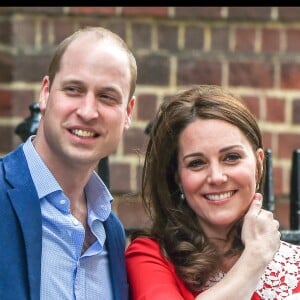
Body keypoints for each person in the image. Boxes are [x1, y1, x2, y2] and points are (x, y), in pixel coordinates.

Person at [126, 85, 300, 299]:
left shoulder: (296, 263)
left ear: (259, 163)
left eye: (231, 157)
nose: (216, 177)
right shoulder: (150, 256)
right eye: (197, 163)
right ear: (178, 178)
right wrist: (255, 258)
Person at [0, 26, 137, 300]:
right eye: (74, 89)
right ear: (46, 93)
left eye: (107, 97)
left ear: (128, 113)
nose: (87, 111)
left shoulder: (112, 232)